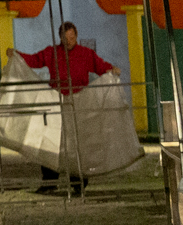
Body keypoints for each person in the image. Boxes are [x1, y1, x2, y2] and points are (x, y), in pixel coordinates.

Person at [22, 21, 115, 195]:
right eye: (66, 38)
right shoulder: (52, 53)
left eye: (71, 37)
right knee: (51, 141)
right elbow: (34, 60)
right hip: (57, 101)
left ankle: (78, 181)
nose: (69, 41)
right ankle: (50, 181)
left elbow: (100, 66)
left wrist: (111, 69)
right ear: (60, 38)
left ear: (76, 36)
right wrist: (17, 55)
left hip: (80, 102)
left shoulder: (86, 54)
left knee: (77, 143)